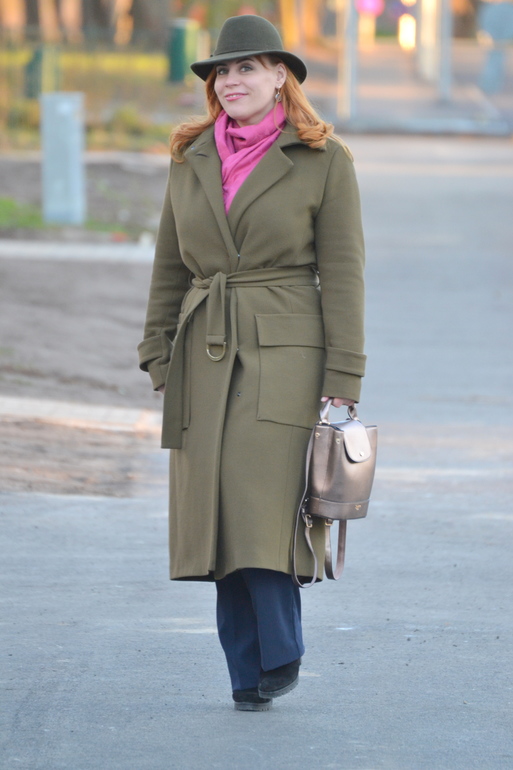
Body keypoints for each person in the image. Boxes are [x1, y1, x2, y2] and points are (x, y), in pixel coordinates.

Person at [137, 14, 366, 712]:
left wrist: (343, 377)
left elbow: (344, 274)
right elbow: (170, 264)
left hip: (285, 351)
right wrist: (156, 354)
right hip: (202, 349)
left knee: (262, 504)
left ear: (279, 77)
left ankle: (279, 647)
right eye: (220, 71)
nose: (230, 81)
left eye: (246, 68)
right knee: (215, 514)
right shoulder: (190, 155)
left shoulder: (324, 159)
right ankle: (246, 672)